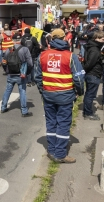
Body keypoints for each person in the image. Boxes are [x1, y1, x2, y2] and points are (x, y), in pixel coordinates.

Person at [36, 28, 85, 164]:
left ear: (51, 39)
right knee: (63, 124)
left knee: (51, 123)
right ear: (64, 38)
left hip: (48, 95)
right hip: (65, 96)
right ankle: (60, 154)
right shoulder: (70, 56)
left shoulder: (43, 55)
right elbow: (79, 78)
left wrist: (43, 90)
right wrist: (80, 92)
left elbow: (37, 76)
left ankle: (51, 150)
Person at [0, 36, 33, 117]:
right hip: (21, 74)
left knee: (8, 90)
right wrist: (26, 72)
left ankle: (3, 107)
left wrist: (7, 71)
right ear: (20, 40)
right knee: (22, 91)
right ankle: (24, 111)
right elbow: (30, 63)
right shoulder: (25, 49)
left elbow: (4, 62)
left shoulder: (9, 49)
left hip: (11, 74)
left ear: (13, 40)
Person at [82, 31, 104, 120]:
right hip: (93, 74)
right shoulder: (95, 49)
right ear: (97, 38)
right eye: (103, 39)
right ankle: (88, 113)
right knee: (90, 94)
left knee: (89, 93)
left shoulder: (91, 47)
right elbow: (90, 63)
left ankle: (87, 111)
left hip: (92, 73)